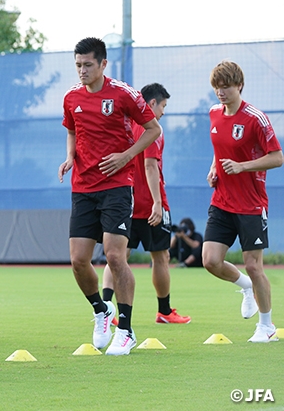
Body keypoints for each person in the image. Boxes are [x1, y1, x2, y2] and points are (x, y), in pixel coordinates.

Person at [58, 37, 161, 355]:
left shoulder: (123, 94)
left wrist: (125, 156)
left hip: (117, 185)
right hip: (83, 187)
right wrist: (70, 156)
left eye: (88, 65)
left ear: (103, 64)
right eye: (78, 65)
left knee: (116, 256)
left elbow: (153, 129)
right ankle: (101, 311)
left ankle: (126, 330)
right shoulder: (71, 97)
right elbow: (72, 128)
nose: (82, 71)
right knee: (78, 261)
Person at [202, 60, 282, 343]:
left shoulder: (255, 118)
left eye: (225, 87)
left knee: (254, 265)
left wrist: (243, 166)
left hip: (251, 204)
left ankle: (266, 325)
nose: (220, 93)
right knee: (210, 260)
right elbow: (219, 147)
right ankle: (246, 287)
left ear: (239, 86)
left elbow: (277, 157)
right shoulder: (213, 113)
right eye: (216, 88)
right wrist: (215, 168)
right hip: (222, 200)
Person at [102, 83, 190, 324]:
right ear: (152, 103)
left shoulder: (126, 125)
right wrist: (157, 203)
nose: (163, 112)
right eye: (163, 106)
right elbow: (150, 165)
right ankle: (164, 311)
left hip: (124, 202)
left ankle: (106, 309)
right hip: (149, 204)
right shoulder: (152, 129)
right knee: (160, 257)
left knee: (117, 256)